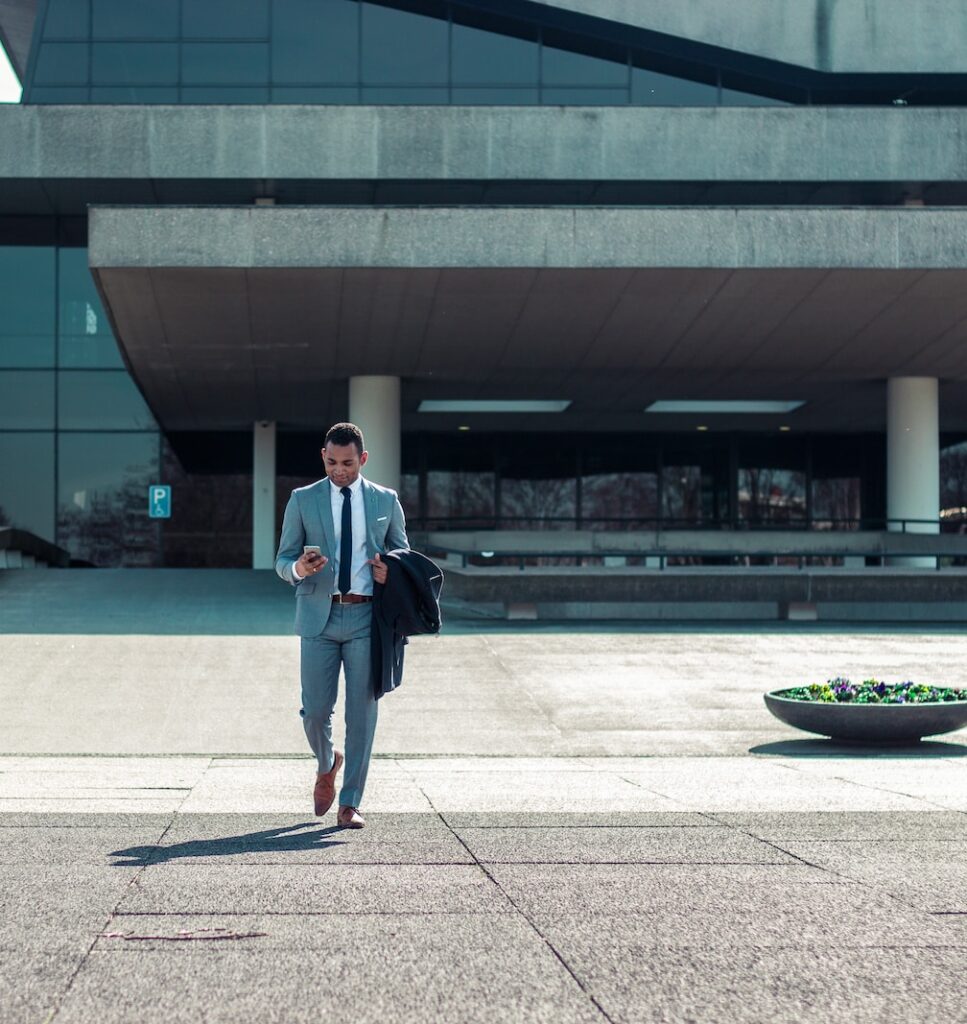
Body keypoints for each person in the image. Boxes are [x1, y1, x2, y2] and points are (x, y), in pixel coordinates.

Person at [275, 422, 408, 829]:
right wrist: (297, 568)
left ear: (362, 459)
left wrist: (392, 571)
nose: (339, 470)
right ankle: (327, 760)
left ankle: (349, 803)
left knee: (362, 714)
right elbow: (282, 561)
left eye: (347, 463)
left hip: (368, 617)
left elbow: (404, 552)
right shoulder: (303, 499)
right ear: (323, 457)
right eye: (332, 462)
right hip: (319, 616)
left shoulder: (386, 500)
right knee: (315, 712)